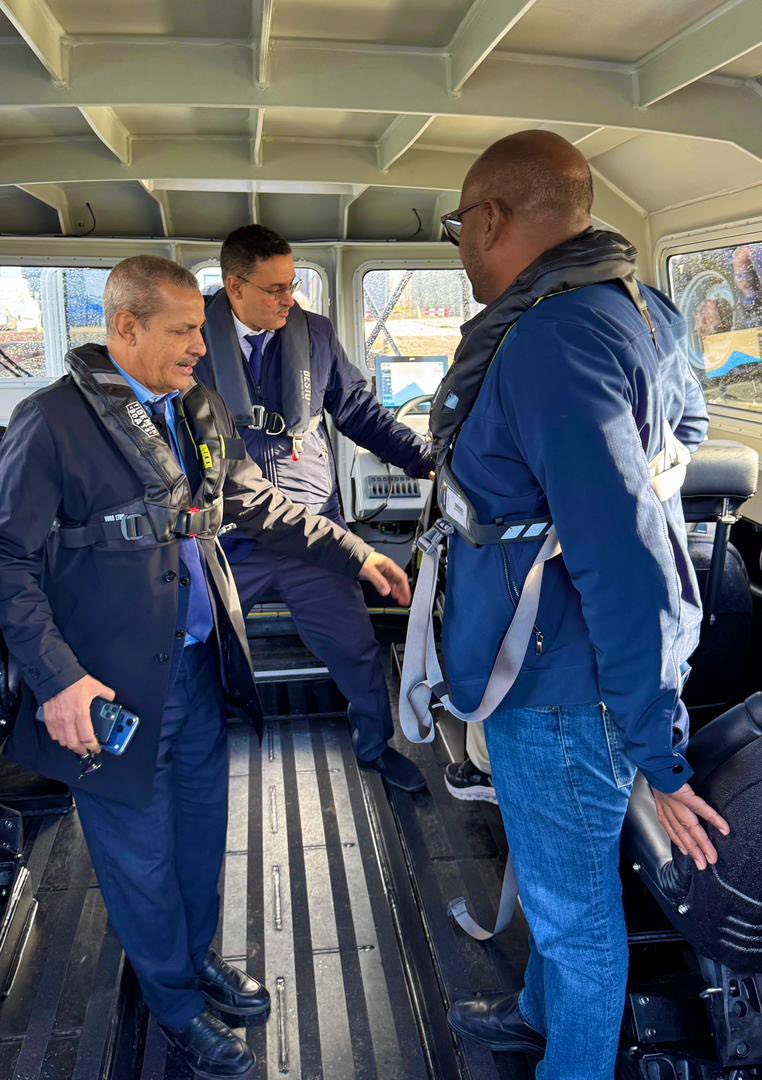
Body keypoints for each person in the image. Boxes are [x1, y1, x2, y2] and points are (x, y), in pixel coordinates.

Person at [0, 255, 411, 1080]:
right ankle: (175, 1004)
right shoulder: (51, 423)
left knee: (197, 838)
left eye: (201, 328)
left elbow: (255, 501)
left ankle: (195, 957)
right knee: (140, 857)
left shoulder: (196, 408)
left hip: (193, 668)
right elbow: (8, 559)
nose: (200, 345)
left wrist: (355, 551)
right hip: (108, 688)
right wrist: (58, 680)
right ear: (126, 328)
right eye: (184, 330)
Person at [427, 132, 730, 1079]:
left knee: (577, 918)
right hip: (568, 668)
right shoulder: (641, 306)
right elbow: (685, 432)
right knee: (559, 876)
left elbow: (625, 561)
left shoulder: (552, 339)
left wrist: (658, 750)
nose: (462, 247)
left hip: (558, 685)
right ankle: (536, 1017)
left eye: (458, 228)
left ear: (489, 221)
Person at [196, 225, 434, 791]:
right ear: (234, 286)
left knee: (356, 649)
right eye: (275, 289)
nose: (289, 299)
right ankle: (195, 756)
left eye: (293, 284)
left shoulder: (316, 334)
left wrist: (425, 461)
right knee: (195, 648)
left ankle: (375, 747)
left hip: (313, 532)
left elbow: (359, 413)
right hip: (228, 532)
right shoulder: (192, 339)